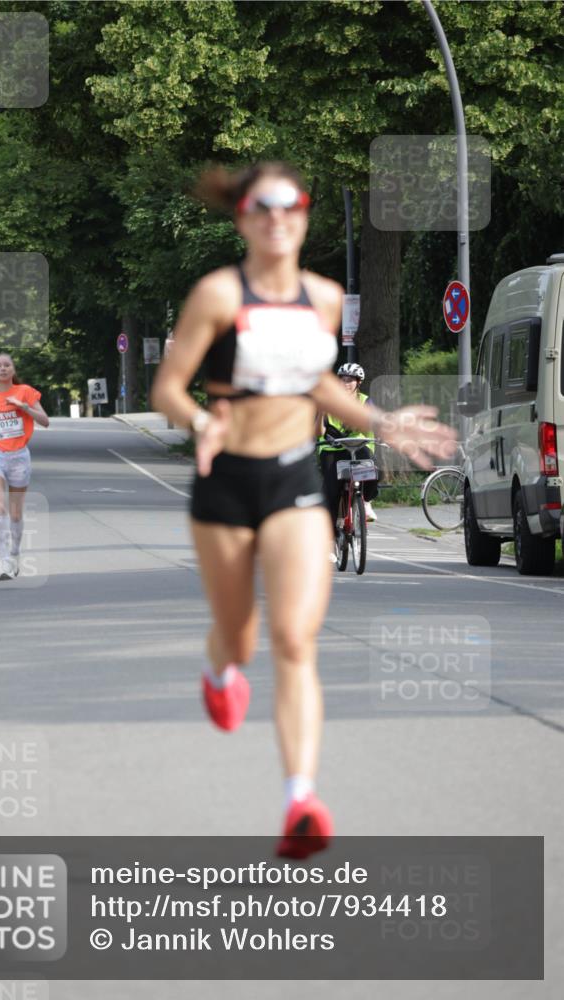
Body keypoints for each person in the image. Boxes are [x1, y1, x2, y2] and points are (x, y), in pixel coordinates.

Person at [151, 162, 456, 858]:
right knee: (240, 632)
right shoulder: (217, 294)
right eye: (263, 206)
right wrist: (200, 427)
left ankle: (300, 800)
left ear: (304, 217)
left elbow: (318, 383)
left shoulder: (320, 297)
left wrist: (383, 422)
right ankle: (219, 669)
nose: (278, 217)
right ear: (243, 218)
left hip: (291, 478)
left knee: (293, 640)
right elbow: (169, 387)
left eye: (292, 205)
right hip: (225, 479)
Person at [0, 353, 49, 581]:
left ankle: (15, 554)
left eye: (7, 365)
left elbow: (45, 421)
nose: (3, 369)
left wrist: (23, 406)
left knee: (15, 513)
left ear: (13, 370)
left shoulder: (25, 391)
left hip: (19, 457)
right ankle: (4, 560)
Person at [317, 363, 379, 536]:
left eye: (350, 380)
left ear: (358, 383)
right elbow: (318, 432)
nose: (345, 383)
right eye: (342, 379)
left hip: (358, 446)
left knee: (373, 470)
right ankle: (330, 537)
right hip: (331, 449)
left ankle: (365, 502)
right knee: (331, 491)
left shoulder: (365, 401)